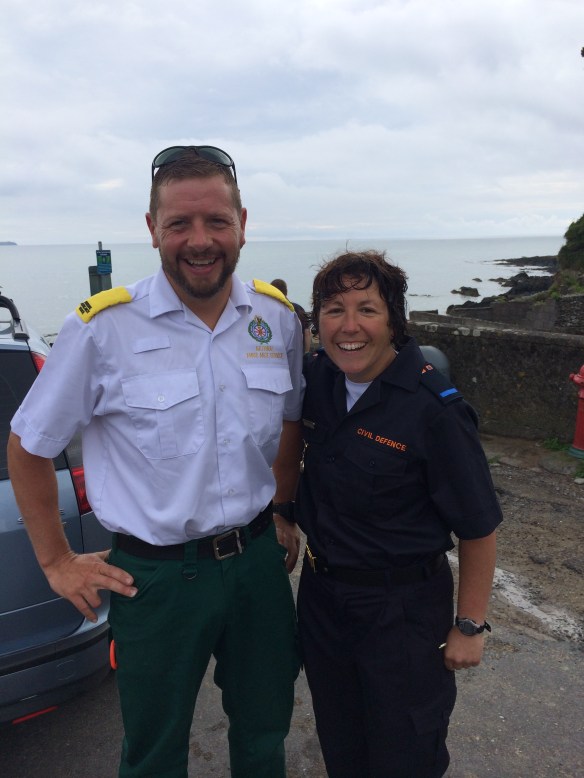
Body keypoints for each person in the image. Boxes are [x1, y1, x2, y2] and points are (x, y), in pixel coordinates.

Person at [7, 146, 305, 778]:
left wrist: (283, 508)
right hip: (158, 578)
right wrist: (57, 560)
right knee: (152, 753)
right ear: (153, 230)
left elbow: (290, 420)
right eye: (179, 224)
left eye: (216, 221)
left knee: (264, 735)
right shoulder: (100, 329)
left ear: (242, 223)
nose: (200, 241)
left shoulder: (275, 321)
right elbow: (29, 444)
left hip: (257, 567)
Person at [295, 250, 502, 778]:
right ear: (317, 321)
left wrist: (470, 625)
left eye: (367, 309)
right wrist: (280, 513)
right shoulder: (320, 379)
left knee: (404, 752)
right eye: (334, 309)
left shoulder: (436, 409)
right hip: (322, 600)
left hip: (402, 612)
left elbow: (479, 527)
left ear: (394, 320)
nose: (349, 326)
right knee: (340, 744)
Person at [270, 277, 312, 353]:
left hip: (278, 355)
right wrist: (306, 353)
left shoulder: (270, 310)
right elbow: (307, 333)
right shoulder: (298, 308)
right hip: (298, 354)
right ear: (286, 291)